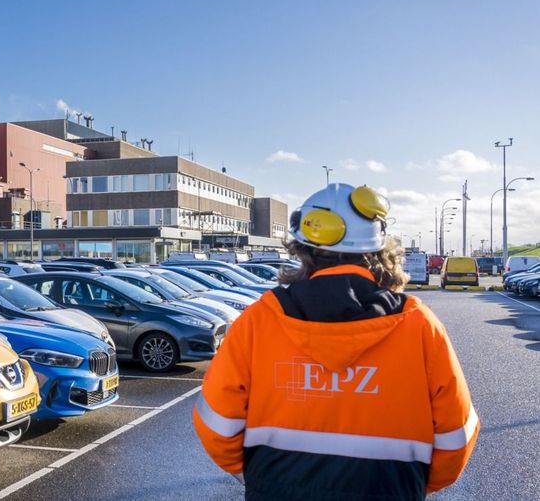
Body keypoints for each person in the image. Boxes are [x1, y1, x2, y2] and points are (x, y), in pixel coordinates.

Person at [194, 183, 478, 500]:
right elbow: (456, 438)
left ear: (303, 250)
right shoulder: (420, 327)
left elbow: (216, 425)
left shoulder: (258, 322)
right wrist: (407, 486)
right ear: (380, 250)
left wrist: (260, 476)